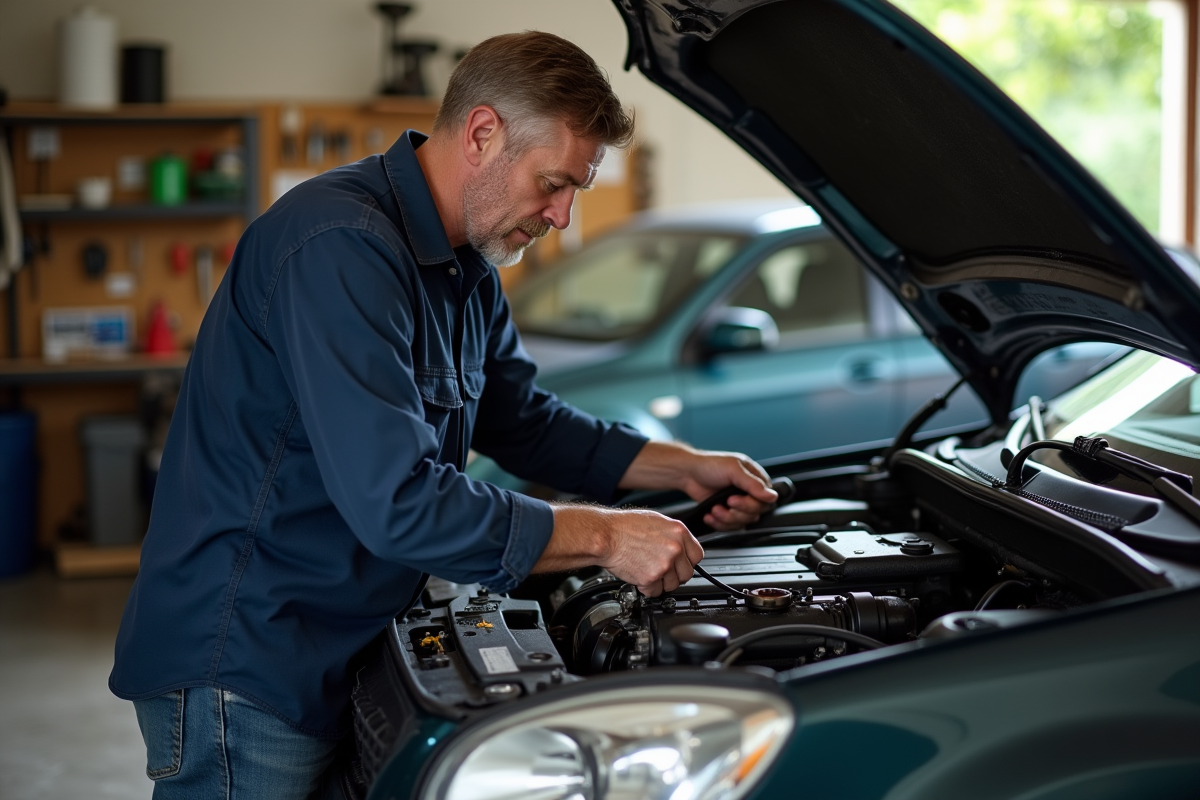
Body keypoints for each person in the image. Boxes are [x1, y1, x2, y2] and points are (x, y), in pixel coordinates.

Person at [111, 31, 778, 799]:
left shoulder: (468, 266)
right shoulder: (342, 248)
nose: (562, 216)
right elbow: (399, 502)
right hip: (253, 661)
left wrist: (680, 465)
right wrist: (606, 536)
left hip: (340, 644)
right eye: (554, 183)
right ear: (483, 133)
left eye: (577, 191)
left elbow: (521, 420)